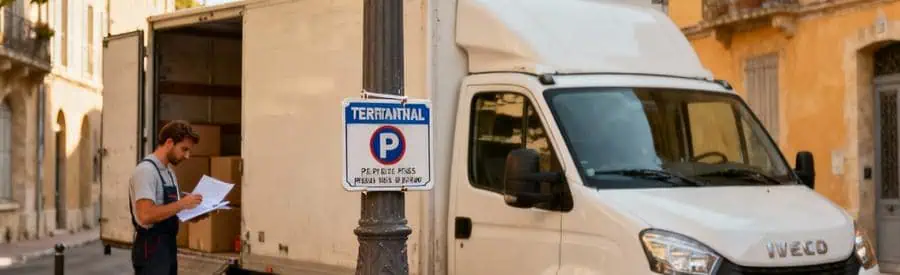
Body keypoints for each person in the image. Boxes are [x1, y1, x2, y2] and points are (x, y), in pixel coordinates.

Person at [129, 120, 204, 275]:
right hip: (151, 249)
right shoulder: (146, 171)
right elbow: (145, 215)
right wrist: (182, 204)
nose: (187, 156)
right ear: (169, 142)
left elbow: (171, 209)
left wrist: (196, 210)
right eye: (184, 149)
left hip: (168, 247)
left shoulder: (169, 172)